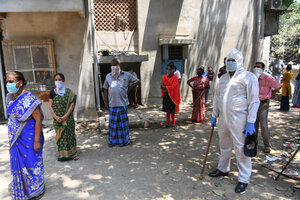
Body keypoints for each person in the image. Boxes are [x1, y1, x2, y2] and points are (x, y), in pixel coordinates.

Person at [209, 49, 260, 194]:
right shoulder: (223, 78)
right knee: (224, 145)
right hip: (224, 119)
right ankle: (223, 169)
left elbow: (254, 101)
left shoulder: (248, 77)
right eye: (228, 61)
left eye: (233, 61)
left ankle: (243, 179)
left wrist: (251, 121)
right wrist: (214, 115)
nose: (230, 64)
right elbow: (217, 98)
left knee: (241, 148)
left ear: (239, 62)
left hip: (240, 120)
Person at [6, 71, 45, 199]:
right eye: (7, 81)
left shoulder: (29, 99)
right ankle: (23, 189)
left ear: (20, 83)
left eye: (11, 81)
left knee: (31, 163)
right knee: (18, 162)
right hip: (15, 140)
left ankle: (36, 190)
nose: (8, 84)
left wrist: (36, 141)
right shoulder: (9, 97)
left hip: (29, 138)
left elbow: (38, 119)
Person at [103, 58, 140, 147]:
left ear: (119, 65)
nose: (114, 67)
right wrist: (105, 102)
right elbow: (105, 88)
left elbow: (137, 81)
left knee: (123, 124)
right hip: (112, 104)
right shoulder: (108, 76)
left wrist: (129, 89)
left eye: (116, 65)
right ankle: (112, 141)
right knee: (113, 124)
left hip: (123, 103)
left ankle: (126, 140)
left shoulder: (126, 75)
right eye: (112, 65)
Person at [49, 73, 79, 161]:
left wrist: (65, 117)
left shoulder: (70, 93)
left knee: (70, 135)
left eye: (60, 80)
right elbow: (50, 106)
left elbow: (72, 105)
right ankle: (62, 154)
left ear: (64, 81)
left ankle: (73, 153)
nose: (58, 82)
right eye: (56, 80)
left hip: (68, 119)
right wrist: (56, 117)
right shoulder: (52, 92)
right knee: (61, 137)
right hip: (57, 120)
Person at [253, 62, 282, 153]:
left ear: (263, 68)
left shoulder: (267, 78)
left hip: (263, 103)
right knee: (253, 124)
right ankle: (253, 142)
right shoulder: (253, 77)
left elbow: (278, 86)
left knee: (263, 125)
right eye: (255, 66)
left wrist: (270, 95)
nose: (256, 68)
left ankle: (267, 145)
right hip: (253, 103)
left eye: (258, 67)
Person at [161, 62, 181, 128]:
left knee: (172, 111)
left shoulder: (175, 77)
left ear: (173, 70)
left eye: (170, 69)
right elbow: (161, 86)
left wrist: (166, 87)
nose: (169, 71)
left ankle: (173, 123)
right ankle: (167, 123)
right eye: (167, 69)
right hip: (166, 95)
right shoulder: (164, 77)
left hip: (172, 96)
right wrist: (168, 87)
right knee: (167, 110)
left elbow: (174, 86)